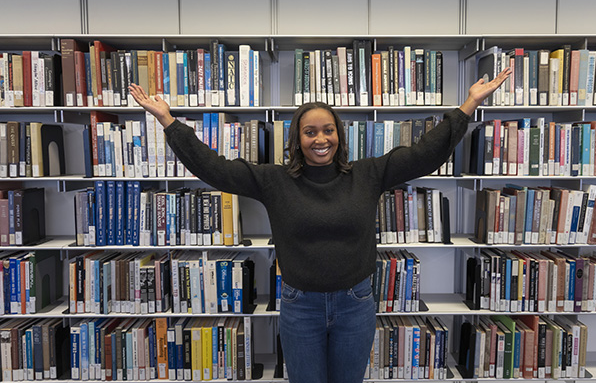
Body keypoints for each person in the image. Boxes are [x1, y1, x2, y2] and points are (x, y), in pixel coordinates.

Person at [129, 66, 511, 383]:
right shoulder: (273, 180)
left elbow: (426, 154)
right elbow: (214, 168)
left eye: (327, 130)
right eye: (310, 132)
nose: (320, 138)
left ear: (338, 135)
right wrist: (168, 121)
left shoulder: (369, 174)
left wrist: (468, 105)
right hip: (300, 306)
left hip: (355, 303)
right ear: (297, 139)